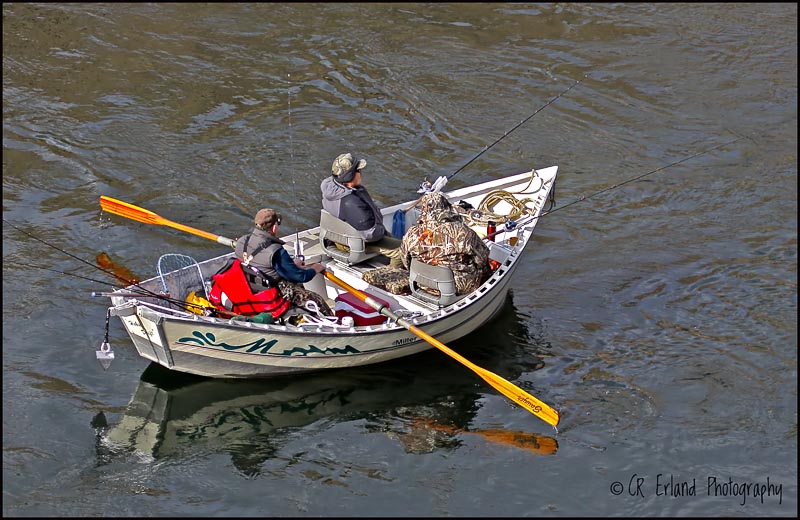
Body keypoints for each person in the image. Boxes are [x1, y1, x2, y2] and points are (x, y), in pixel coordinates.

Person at [234, 208, 333, 316]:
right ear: (275, 226)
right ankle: (334, 325)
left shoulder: (242, 241)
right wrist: (316, 268)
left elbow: (263, 263)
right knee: (316, 300)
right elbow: (301, 277)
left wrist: (291, 264)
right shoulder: (275, 251)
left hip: (251, 287)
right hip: (272, 293)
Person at [320, 152, 403, 267]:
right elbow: (371, 235)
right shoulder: (351, 203)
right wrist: (380, 229)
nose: (360, 173)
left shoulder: (332, 189)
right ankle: (393, 277)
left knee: (401, 242)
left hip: (339, 236)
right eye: (358, 171)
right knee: (403, 250)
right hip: (355, 242)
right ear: (349, 176)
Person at [400, 192, 491, 295]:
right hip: (457, 289)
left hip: (421, 284)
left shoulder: (411, 233)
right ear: (446, 208)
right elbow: (482, 258)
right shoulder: (462, 232)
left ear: (424, 210)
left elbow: (406, 261)